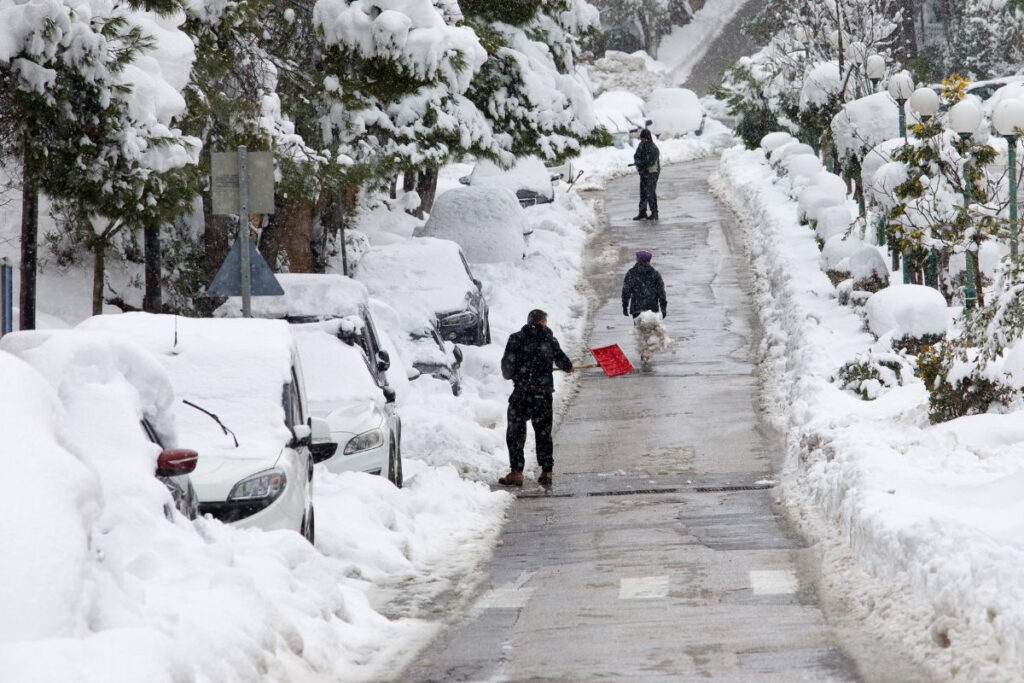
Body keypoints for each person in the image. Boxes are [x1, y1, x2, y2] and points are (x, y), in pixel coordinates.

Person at [498, 309, 573, 487]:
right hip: (543, 394)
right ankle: (547, 472)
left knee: (515, 432)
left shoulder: (516, 339)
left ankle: (516, 472)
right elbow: (565, 364)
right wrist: (566, 367)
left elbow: (507, 371)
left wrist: (519, 370)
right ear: (543, 321)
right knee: (543, 433)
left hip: (522, 394)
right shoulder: (550, 340)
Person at [622, 250, 667, 319]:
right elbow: (661, 293)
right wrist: (663, 309)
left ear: (638, 260)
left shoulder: (631, 273)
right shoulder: (655, 274)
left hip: (636, 309)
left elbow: (626, 291)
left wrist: (625, 306)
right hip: (652, 309)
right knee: (651, 329)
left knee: (639, 328)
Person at [632, 129, 661, 221]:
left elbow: (650, 161)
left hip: (652, 173)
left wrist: (642, 164)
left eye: (644, 139)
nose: (642, 140)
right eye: (642, 139)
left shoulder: (653, 148)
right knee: (643, 193)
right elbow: (636, 156)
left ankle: (654, 213)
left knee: (650, 193)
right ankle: (642, 212)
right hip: (644, 173)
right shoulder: (641, 146)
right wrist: (638, 163)